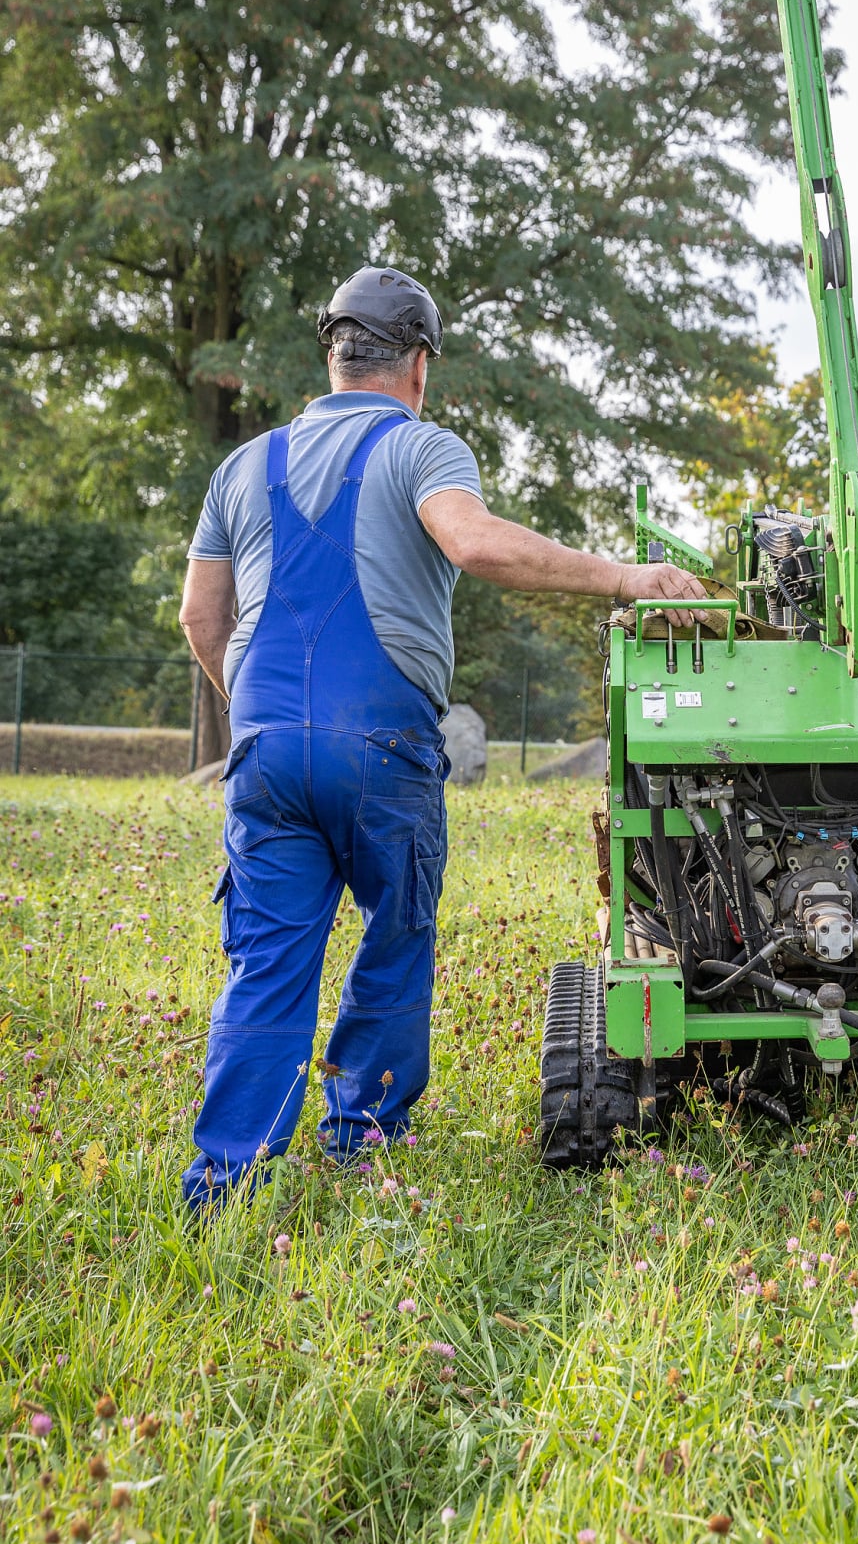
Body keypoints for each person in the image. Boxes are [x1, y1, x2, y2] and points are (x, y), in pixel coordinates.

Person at [178, 265, 704, 1208]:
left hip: (261, 750)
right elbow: (476, 544)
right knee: (394, 937)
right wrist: (626, 577)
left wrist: (262, 719)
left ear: (332, 357)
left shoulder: (241, 465)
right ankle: (361, 1149)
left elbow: (198, 616)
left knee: (265, 965)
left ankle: (223, 1184)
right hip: (381, 749)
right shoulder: (419, 448)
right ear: (417, 364)